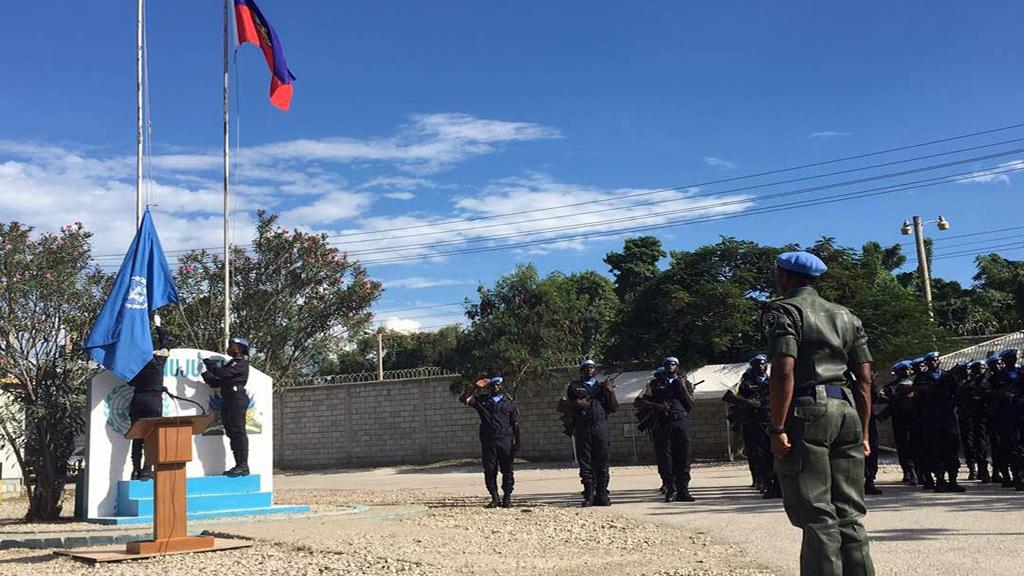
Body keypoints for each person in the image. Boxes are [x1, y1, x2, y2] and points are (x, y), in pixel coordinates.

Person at [762, 251, 875, 576]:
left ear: (783, 276)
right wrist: (865, 431)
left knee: (816, 513)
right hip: (847, 410)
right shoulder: (847, 315)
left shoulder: (784, 310)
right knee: (850, 513)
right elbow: (864, 376)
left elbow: (784, 371)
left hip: (808, 412)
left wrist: (778, 428)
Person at [558, 359, 619, 507]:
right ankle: (589, 494)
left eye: (592, 368)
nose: (589, 370)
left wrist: (610, 391)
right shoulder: (573, 386)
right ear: (581, 370)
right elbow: (560, 406)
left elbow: (614, 408)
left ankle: (602, 494)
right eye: (586, 368)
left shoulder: (602, 387)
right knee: (586, 463)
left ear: (595, 370)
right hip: (582, 427)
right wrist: (576, 403)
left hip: (600, 426)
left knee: (602, 462)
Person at [636, 357, 697, 502]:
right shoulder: (654, 384)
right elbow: (638, 402)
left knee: (684, 456)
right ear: (664, 366)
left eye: (674, 364)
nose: (671, 367)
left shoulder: (685, 383)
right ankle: (671, 489)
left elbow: (691, 404)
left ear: (678, 367)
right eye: (668, 364)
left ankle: (683, 490)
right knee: (665, 458)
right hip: (662, 423)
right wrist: (656, 406)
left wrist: (683, 387)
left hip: (680, 421)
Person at [460, 376, 521, 508]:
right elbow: (464, 399)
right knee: (490, 469)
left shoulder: (509, 404)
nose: (496, 388)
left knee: (507, 470)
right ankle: (494, 498)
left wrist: (517, 441)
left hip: (505, 440)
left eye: (498, 385)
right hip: (489, 440)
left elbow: (515, 424)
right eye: (493, 386)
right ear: (488, 388)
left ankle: (507, 498)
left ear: (502, 387)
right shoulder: (482, 401)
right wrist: (474, 387)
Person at [723, 354, 778, 498]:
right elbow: (728, 396)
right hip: (753, 423)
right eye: (758, 364)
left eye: (764, 364)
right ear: (752, 366)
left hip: (770, 421)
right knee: (757, 454)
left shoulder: (772, 380)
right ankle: (763, 483)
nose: (761, 366)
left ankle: (775, 485)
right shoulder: (745, 381)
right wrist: (747, 403)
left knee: (772, 454)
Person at [128, 319, 173, 481]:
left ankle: (135, 470)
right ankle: (147, 470)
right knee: (151, 437)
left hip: (138, 400)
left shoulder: (135, 364)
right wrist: (159, 326)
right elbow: (167, 342)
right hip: (153, 401)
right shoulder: (159, 361)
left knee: (137, 437)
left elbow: (130, 381)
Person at [201, 337, 252, 477]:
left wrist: (208, 362)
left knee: (238, 432)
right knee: (232, 433)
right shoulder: (231, 364)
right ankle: (239, 464)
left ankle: (243, 465)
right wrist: (204, 372)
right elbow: (215, 383)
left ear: (240, 348)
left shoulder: (240, 363)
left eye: (232, 345)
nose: (229, 347)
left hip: (237, 399)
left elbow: (221, 373)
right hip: (229, 398)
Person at [921, 351, 966, 493]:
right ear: (927, 364)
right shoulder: (922, 378)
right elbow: (925, 393)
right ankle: (940, 480)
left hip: (948, 417)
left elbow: (957, 393)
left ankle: (953, 480)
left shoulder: (947, 376)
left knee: (952, 449)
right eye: (931, 361)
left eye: (936, 360)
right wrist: (941, 382)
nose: (934, 363)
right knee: (936, 450)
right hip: (932, 419)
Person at [880, 361, 917, 485]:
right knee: (903, 446)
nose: (909, 371)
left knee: (915, 445)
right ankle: (908, 472)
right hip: (900, 420)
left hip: (914, 419)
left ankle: (917, 472)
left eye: (910, 369)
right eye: (906, 369)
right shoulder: (891, 387)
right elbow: (882, 397)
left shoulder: (915, 383)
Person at [989, 349, 1020, 488]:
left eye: (1014, 358)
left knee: (1019, 447)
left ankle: (1019, 476)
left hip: (1020, 415)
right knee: (1005, 447)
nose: (1012, 360)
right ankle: (1008, 476)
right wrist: (1001, 394)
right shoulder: (996, 377)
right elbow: (987, 393)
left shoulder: (1021, 374)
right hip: (1004, 417)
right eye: (1009, 359)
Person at [958, 360, 991, 483]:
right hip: (968, 417)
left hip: (981, 416)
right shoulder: (964, 384)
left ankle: (983, 469)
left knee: (981, 442)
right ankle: (973, 468)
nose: (982, 370)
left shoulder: (985, 381)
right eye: (980, 368)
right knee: (969, 443)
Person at [909, 357, 936, 490]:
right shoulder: (919, 380)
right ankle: (925, 476)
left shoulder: (935, 377)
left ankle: (936, 476)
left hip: (933, 417)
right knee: (922, 449)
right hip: (920, 419)